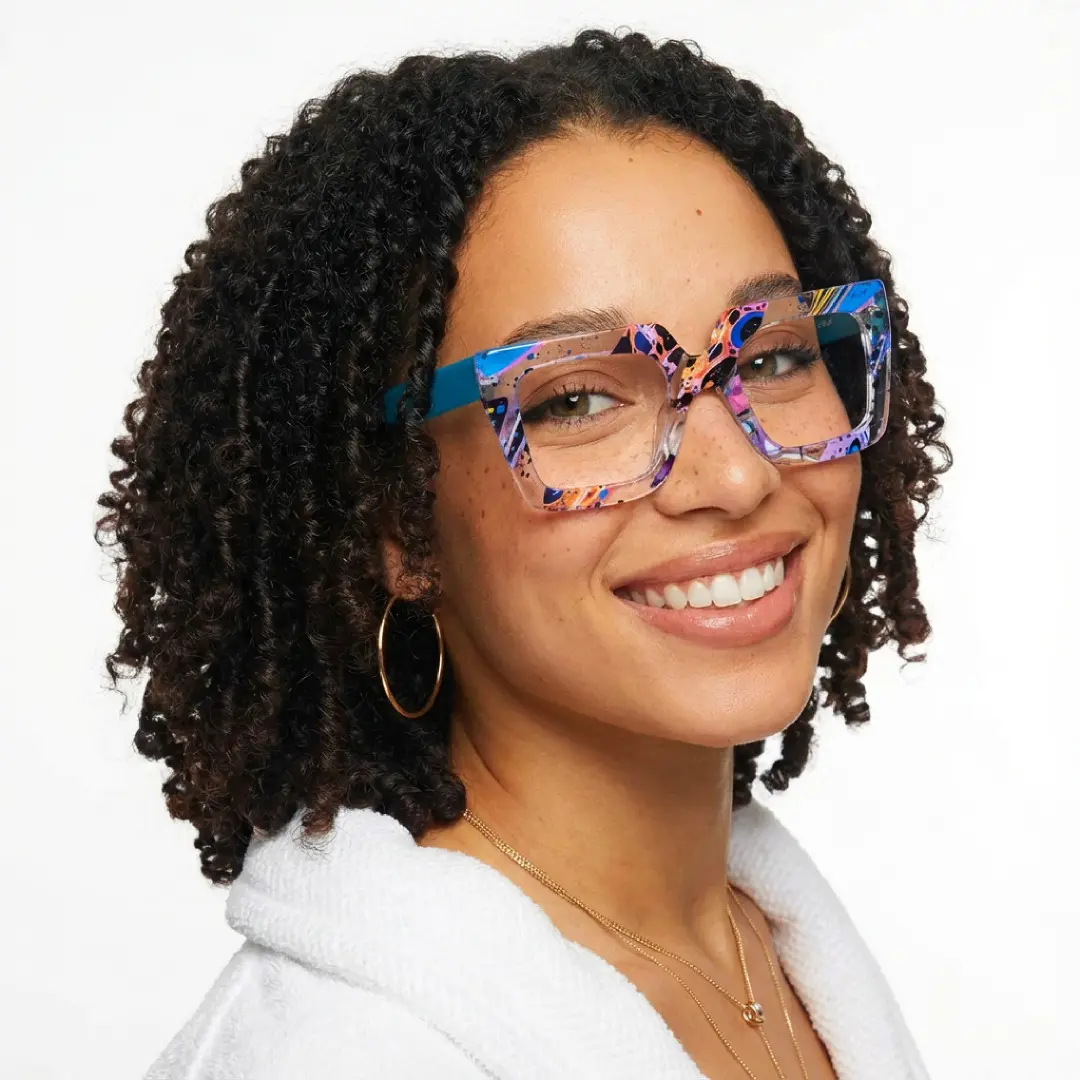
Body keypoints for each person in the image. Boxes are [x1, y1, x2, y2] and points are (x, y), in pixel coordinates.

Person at [96, 27, 949, 1080]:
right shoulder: (343, 1056)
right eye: (577, 398)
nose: (735, 476)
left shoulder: (772, 951)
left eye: (772, 355)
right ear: (399, 521)